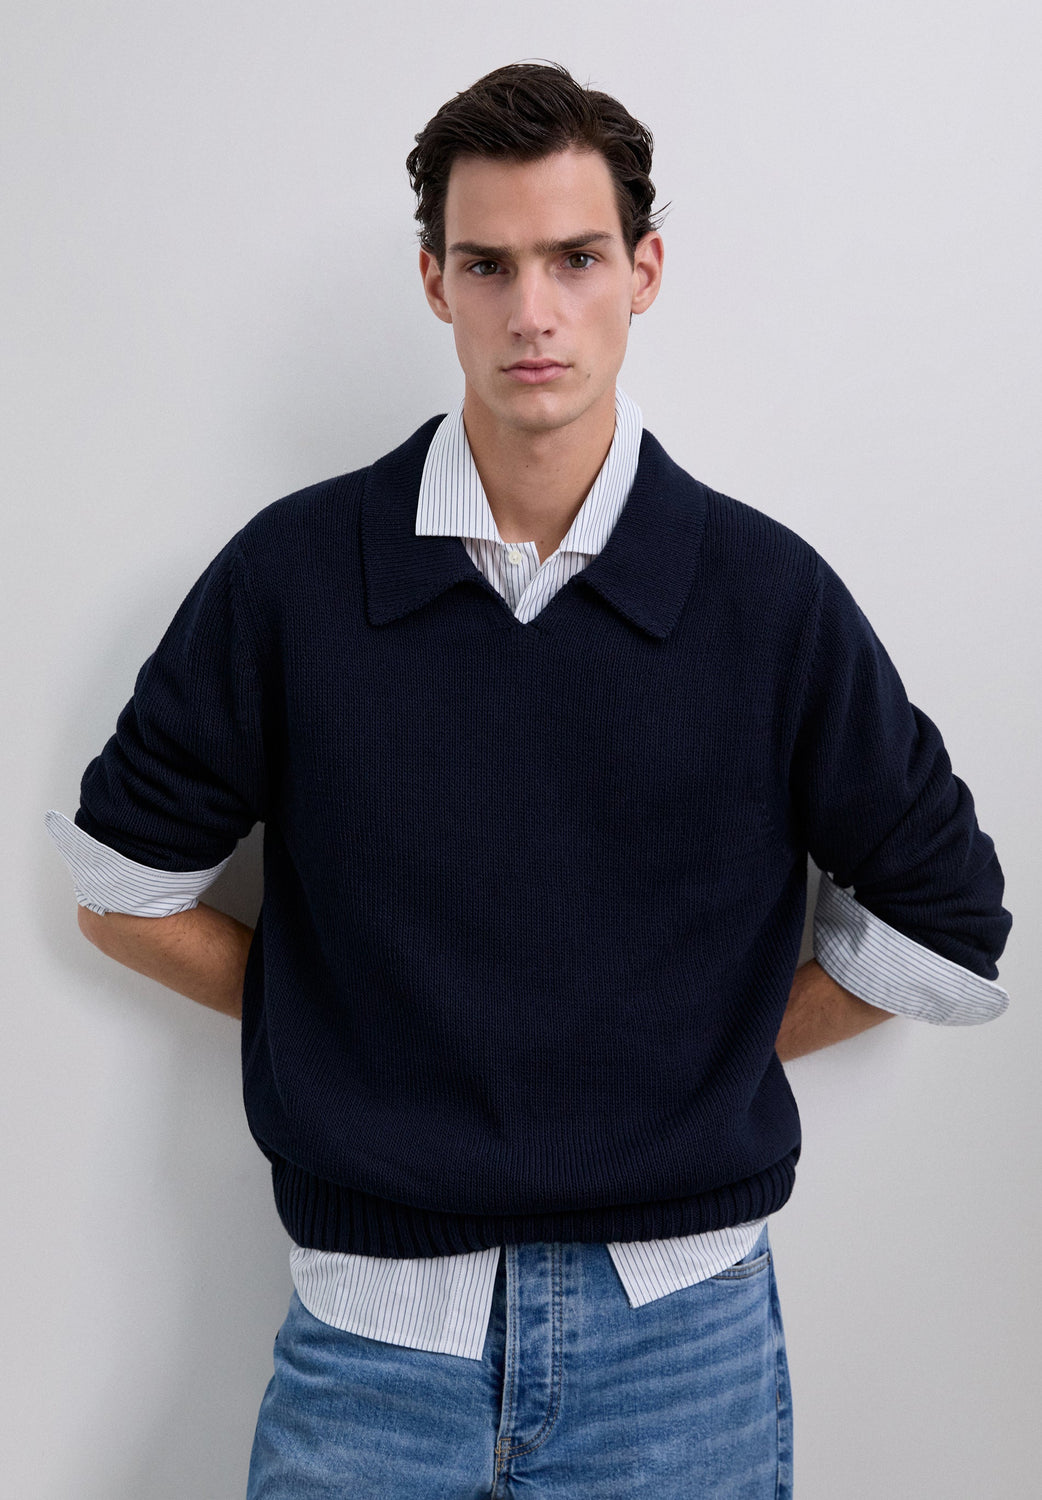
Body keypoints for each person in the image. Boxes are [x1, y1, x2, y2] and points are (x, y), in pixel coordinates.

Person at [47, 61, 1011, 1499]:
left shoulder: (764, 598)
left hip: (680, 1339)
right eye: (488, 264)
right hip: (373, 1339)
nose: (533, 311)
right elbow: (121, 888)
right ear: (435, 281)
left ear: (644, 271)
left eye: (575, 258)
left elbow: (947, 931)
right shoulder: (294, 577)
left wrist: (692, 1053)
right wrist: (346, 1025)